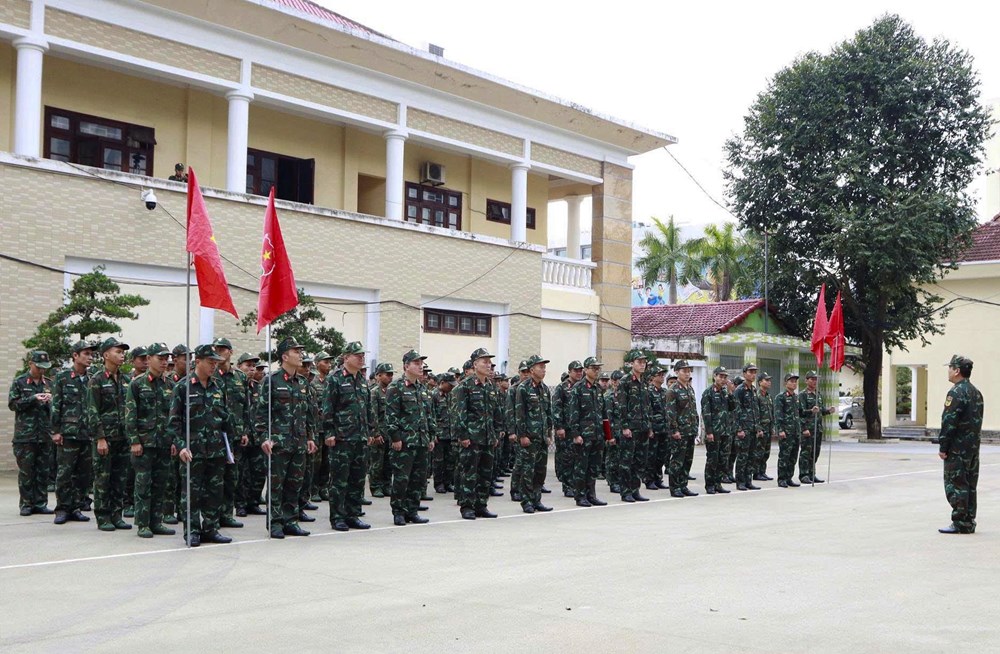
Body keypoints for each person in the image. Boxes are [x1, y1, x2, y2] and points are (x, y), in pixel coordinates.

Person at [168, 344, 240, 546]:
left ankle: (211, 528)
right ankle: (192, 531)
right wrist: (181, 446)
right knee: (191, 494)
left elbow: (225, 419)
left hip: (216, 450)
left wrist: (229, 448)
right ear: (197, 361)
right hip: (193, 451)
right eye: (210, 362)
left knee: (214, 492)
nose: (213, 366)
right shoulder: (183, 387)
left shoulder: (218, 387)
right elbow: (174, 422)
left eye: (215, 363)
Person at [256, 338, 317, 539]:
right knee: (276, 486)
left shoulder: (302, 383)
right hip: (278, 444)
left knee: (295, 484)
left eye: (300, 351)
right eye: (295, 351)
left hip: (298, 443)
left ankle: (291, 521)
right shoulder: (272, 381)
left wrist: (310, 437)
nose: (300, 354)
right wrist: (264, 437)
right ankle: (275, 523)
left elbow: (307, 413)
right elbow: (261, 413)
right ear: (284, 356)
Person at [124, 343, 176, 538]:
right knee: (143, 484)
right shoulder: (137, 384)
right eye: (160, 358)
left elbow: (174, 416)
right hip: (144, 443)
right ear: (149, 359)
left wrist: (174, 440)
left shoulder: (170, 385)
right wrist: (134, 441)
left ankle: (156, 521)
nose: (164, 362)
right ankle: (143, 523)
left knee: (160, 484)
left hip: (163, 443)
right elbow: (130, 414)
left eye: (166, 359)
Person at [321, 341, 373, 531]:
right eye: (357, 355)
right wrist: (329, 432)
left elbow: (367, 408)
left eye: (362, 355)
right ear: (346, 357)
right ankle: (337, 517)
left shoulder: (362, 380)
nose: (361, 358)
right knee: (339, 480)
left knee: (357, 479)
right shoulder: (334, 379)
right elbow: (328, 408)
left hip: (360, 437)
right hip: (342, 438)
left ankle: (353, 514)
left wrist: (369, 431)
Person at [384, 350, 435, 525]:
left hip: (421, 440)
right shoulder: (396, 387)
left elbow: (429, 415)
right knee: (401, 479)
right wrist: (395, 437)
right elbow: (391, 415)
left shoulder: (422, 388)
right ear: (406, 366)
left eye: (421, 364)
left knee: (418, 479)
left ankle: (412, 510)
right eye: (416, 363)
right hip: (404, 442)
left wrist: (431, 436)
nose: (421, 367)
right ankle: (398, 512)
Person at [86, 337, 132, 531]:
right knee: (103, 478)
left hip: (123, 438)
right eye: (118, 352)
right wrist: (100, 438)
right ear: (106, 355)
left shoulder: (126, 380)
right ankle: (103, 516)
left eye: (123, 352)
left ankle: (117, 515)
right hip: (106, 438)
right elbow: (92, 410)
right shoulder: (96, 380)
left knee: (120, 479)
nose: (122, 355)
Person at [50, 341, 96, 523]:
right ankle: (62, 508)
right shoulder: (63, 378)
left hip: (87, 434)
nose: (90, 357)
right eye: (86, 354)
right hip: (68, 433)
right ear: (75, 356)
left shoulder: (92, 379)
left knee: (83, 474)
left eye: (91, 354)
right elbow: (56, 405)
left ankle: (76, 507)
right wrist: (55, 431)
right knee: (65, 473)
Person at [938, 355, 983, 535]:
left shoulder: (956, 392)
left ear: (957, 371)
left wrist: (943, 447)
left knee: (956, 484)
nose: (948, 371)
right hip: (972, 448)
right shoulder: (976, 392)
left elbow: (949, 422)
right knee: (970, 484)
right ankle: (968, 521)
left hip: (957, 449)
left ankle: (960, 522)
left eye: (950, 368)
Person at [452, 348, 499, 520]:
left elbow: (496, 412)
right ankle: (467, 506)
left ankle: (481, 505)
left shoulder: (490, 386)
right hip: (471, 438)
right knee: (469, 473)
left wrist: (495, 434)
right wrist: (463, 435)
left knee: (485, 474)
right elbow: (459, 413)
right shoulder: (465, 386)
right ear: (475, 364)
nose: (488, 365)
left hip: (487, 437)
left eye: (489, 362)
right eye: (484, 361)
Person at [9, 350, 55, 516]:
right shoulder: (20, 382)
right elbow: (13, 404)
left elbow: (55, 409)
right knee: (27, 472)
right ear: (30, 364)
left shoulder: (49, 383)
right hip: (25, 436)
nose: (41, 370)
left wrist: (50, 402)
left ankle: (41, 503)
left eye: (44, 367)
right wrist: (33, 399)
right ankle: (27, 504)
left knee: (43, 472)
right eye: (38, 367)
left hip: (44, 436)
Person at [212, 337, 250, 529]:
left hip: (235, 436)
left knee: (232, 478)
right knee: (215, 479)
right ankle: (213, 516)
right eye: (217, 349)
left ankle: (227, 514)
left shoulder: (240, 377)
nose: (220, 353)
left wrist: (245, 431)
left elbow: (246, 407)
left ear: (231, 352)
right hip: (215, 435)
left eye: (223, 349)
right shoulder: (210, 376)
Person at [566, 356, 609, 507]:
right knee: (581, 467)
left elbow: (604, 414)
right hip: (584, 436)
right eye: (593, 368)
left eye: (598, 368)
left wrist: (607, 435)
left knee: (593, 467)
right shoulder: (578, 388)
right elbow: (573, 413)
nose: (597, 371)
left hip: (597, 435)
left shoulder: (598, 389)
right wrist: (576, 434)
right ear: (585, 370)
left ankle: (591, 494)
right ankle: (580, 496)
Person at [514, 355, 553, 514]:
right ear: (531, 370)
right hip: (529, 438)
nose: (544, 370)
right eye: (540, 367)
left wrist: (549, 434)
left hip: (542, 437)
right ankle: (527, 502)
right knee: (527, 471)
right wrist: (522, 435)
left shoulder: (545, 389)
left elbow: (548, 413)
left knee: (540, 472)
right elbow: (519, 413)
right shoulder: (523, 388)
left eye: (544, 367)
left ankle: (537, 500)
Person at [616, 350, 650, 503]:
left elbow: (647, 406)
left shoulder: (644, 382)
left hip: (642, 427)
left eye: (644, 362)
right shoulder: (625, 381)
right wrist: (624, 426)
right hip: (630, 427)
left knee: (640, 461)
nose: (642, 365)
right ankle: (626, 491)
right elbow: (621, 405)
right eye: (639, 362)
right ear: (631, 364)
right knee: (626, 461)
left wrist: (649, 426)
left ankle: (635, 489)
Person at [666, 360, 698, 497]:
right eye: (684, 371)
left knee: (687, 460)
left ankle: (683, 485)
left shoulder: (690, 389)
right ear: (676, 372)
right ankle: (675, 487)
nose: (687, 373)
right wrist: (674, 430)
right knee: (677, 461)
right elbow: (670, 412)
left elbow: (693, 410)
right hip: (680, 432)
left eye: (689, 371)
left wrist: (696, 427)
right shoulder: (673, 390)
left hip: (690, 430)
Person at [701, 366, 735, 495]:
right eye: (721, 376)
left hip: (725, 431)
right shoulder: (708, 392)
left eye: (725, 377)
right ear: (714, 376)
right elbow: (706, 414)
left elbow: (732, 407)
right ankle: (710, 485)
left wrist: (730, 393)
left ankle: (718, 483)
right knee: (712, 459)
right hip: (714, 432)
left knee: (723, 459)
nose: (723, 379)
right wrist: (709, 432)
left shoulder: (724, 392)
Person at [552, 361, 583, 497]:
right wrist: (559, 427)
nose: (579, 373)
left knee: (578, 459)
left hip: (578, 428)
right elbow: (556, 407)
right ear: (569, 372)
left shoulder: (581, 386)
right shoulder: (562, 387)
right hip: (566, 429)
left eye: (580, 370)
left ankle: (576, 485)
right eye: (576, 371)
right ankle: (568, 486)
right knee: (567, 459)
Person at [798, 371, 835, 484]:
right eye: (812, 379)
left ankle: (812, 473)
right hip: (808, 429)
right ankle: (804, 474)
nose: (814, 381)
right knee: (806, 453)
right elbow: (800, 413)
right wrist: (804, 428)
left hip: (817, 429)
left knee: (815, 453)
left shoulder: (818, 394)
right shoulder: (803, 395)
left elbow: (820, 410)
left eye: (816, 379)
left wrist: (828, 411)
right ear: (806, 380)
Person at [733, 363, 762, 491]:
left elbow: (756, 410)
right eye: (750, 372)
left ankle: (748, 481)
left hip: (753, 428)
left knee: (751, 456)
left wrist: (758, 427)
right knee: (742, 457)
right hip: (744, 429)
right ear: (744, 374)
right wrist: (739, 429)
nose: (753, 375)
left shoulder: (754, 390)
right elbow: (736, 411)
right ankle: (740, 482)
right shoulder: (740, 390)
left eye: (755, 372)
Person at [369, 363, 394, 498]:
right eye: (387, 374)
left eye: (391, 374)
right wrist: (376, 433)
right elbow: (373, 414)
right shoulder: (374, 392)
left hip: (390, 432)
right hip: (380, 432)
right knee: (377, 462)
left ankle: (387, 485)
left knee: (389, 462)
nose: (390, 377)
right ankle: (376, 486)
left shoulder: (392, 391)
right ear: (378, 376)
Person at [773, 373, 802, 488]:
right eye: (791, 381)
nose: (794, 383)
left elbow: (800, 413)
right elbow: (778, 415)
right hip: (786, 431)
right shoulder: (780, 397)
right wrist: (780, 430)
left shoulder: (796, 397)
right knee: (784, 456)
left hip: (795, 431)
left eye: (795, 381)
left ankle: (789, 477)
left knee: (793, 456)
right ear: (786, 383)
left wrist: (811, 411)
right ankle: (782, 479)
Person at [432, 371, 457, 494]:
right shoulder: (434, 395)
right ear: (442, 383)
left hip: (450, 433)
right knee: (439, 461)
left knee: (450, 460)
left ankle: (448, 482)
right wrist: (434, 433)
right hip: (440, 434)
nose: (451, 387)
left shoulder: (451, 395)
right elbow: (431, 415)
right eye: (450, 385)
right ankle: (439, 483)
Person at [755, 372, 775, 481]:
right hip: (761, 428)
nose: (769, 382)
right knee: (759, 452)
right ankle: (756, 473)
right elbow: (756, 413)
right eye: (766, 380)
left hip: (768, 428)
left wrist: (772, 427)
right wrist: (758, 428)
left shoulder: (768, 396)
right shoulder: (757, 396)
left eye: (769, 380)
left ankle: (762, 471)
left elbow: (772, 412)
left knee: (766, 452)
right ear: (760, 382)